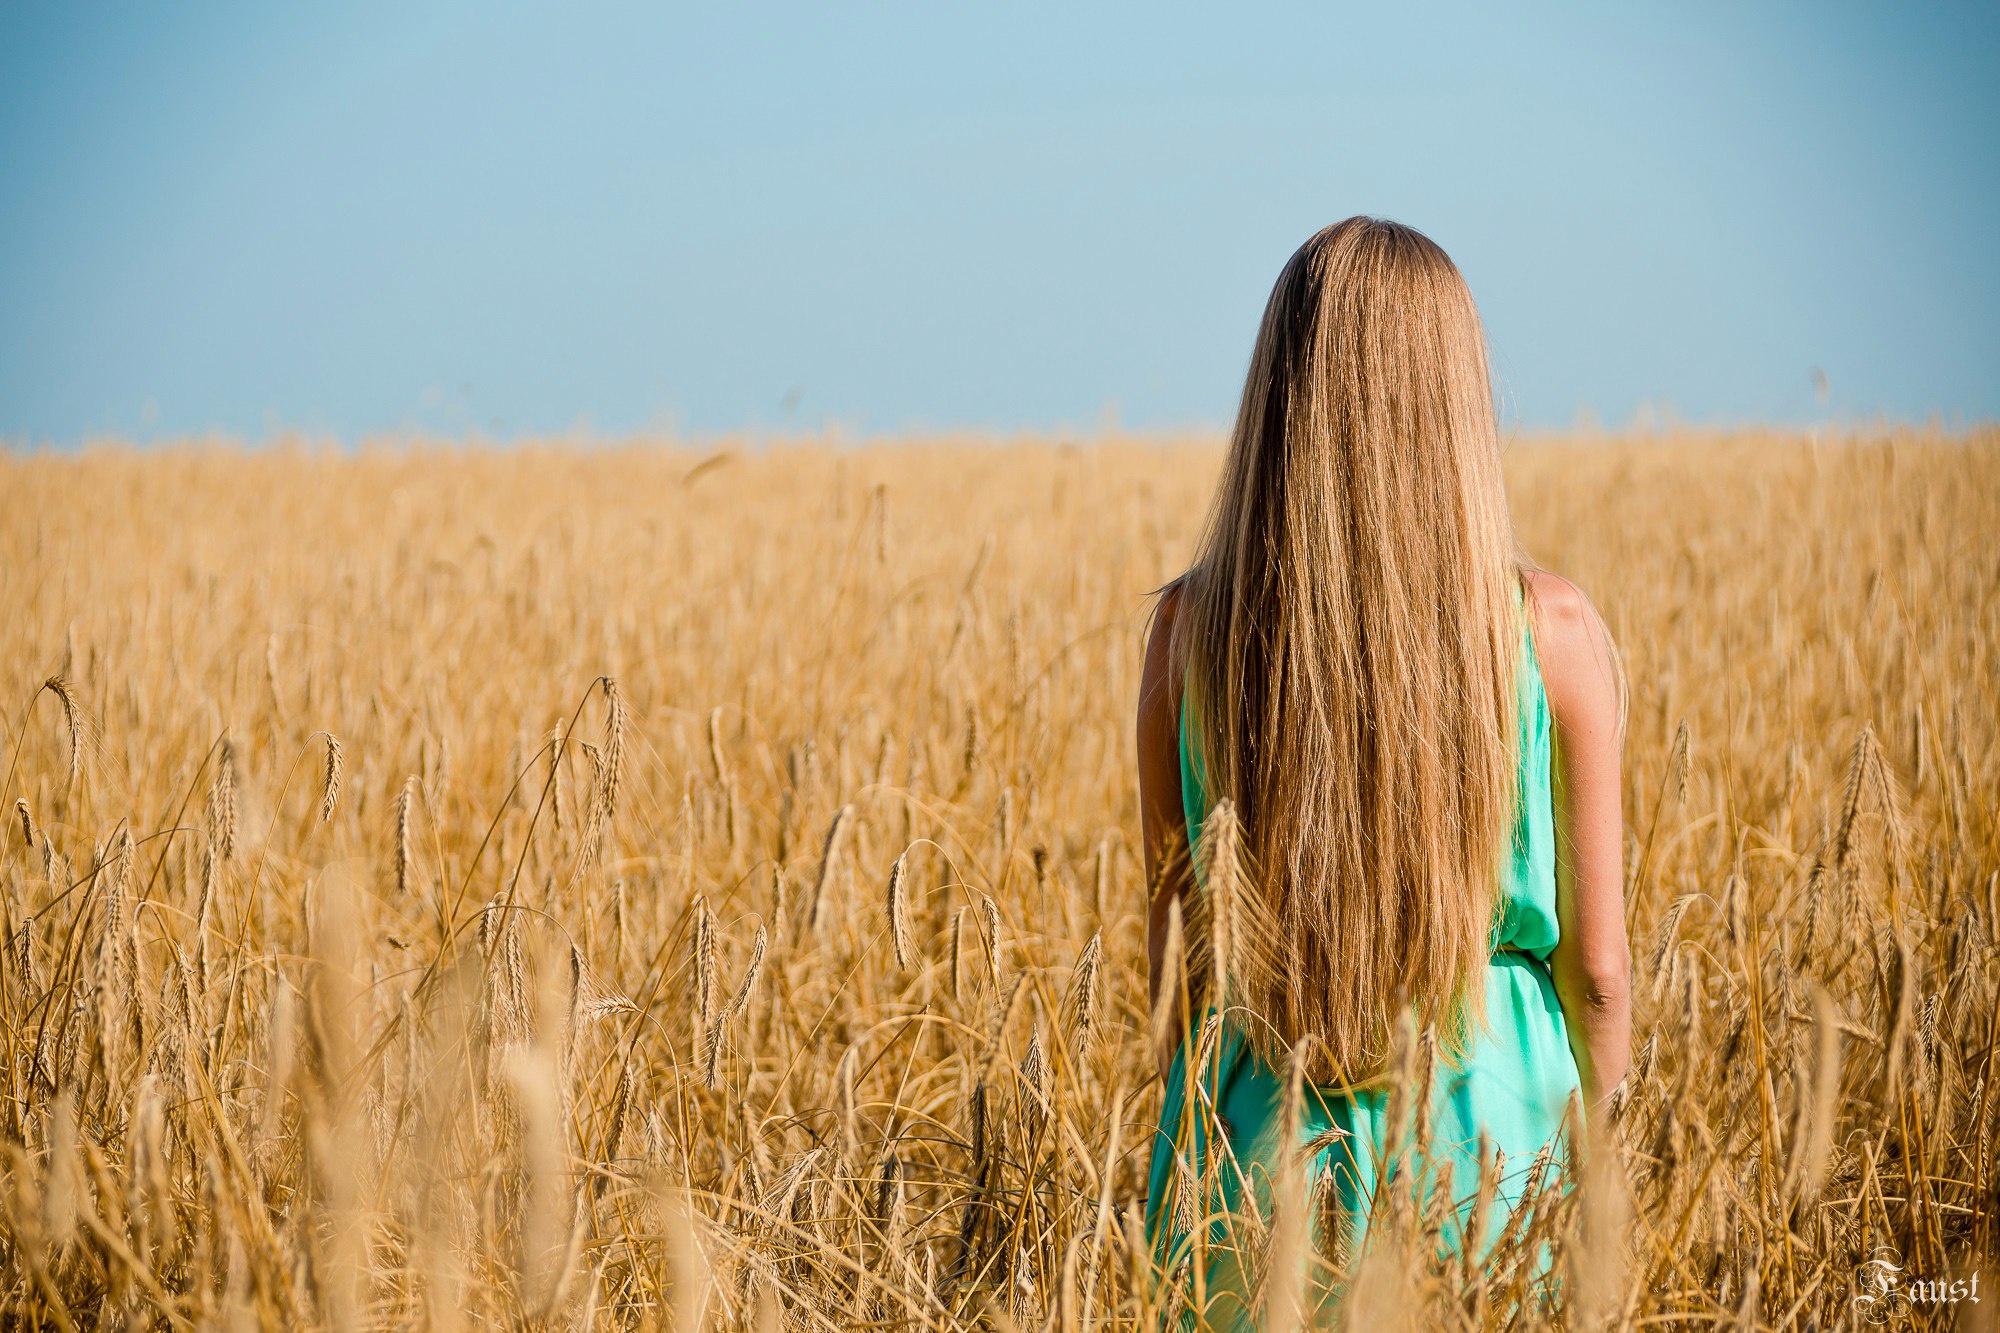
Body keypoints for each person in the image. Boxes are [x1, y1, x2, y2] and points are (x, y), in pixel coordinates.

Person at [1135, 216, 1631, 1328]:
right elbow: (1596, 972)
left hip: (1256, 1166)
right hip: (1491, 1156)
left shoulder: (1184, 637)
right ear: (1456, 402)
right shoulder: (1550, 633)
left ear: (1278, 402)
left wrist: (1183, 1160)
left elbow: (1177, 973)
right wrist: (1606, 1167)